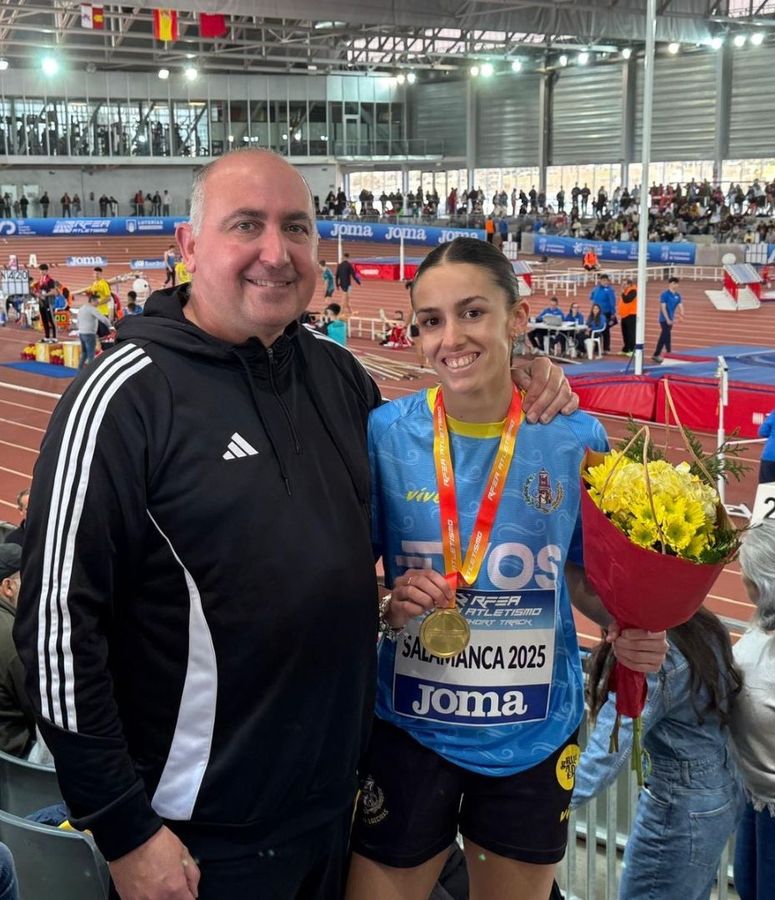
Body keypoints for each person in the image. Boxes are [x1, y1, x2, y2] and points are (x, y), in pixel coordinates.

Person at [16, 147, 576, 900]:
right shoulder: (122, 397)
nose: (274, 253)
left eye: (297, 228)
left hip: (332, 814)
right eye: (246, 225)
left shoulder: (338, 377)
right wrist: (123, 830)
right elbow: (54, 629)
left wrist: (524, 370)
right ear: (188, 246)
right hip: (198, 845)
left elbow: (421, 506)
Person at [347, 238, 667, 900]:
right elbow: (354, 579)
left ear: (516, 319)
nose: (450, 337)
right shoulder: (384, 435)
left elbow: (582, 573)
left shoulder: (575, 437)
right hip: (411, 726)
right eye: (431, 321)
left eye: (472, 313)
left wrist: (629, 622)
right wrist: (388, 604)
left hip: (532, 730)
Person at [571, 605, 744, 900]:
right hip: (717, 793)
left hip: (681, 809)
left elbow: (606, 754)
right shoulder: (701, 625)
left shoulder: (652, 661)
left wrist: (545, 805)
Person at [729, 520, 775, 900]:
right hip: (755, 798)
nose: (741, 578)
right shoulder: (759, 627)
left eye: (746, 570)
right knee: (748, 888)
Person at [0, 543, 37, 758]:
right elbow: (39, 712)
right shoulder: (13, 639)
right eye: (30, 580)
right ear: (8, 587)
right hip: (13, 761)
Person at [72, 291, 111, 363]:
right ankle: (90, 368)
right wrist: (111, 326)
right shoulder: (92, 309)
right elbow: (102, 318)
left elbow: (78, 321)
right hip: (89, 333)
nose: (98, 303)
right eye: (97, 302)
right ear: (92, 301)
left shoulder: (82, 308)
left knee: (84, 352)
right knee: (91, 353)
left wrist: (80, 329)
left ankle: (81, 367)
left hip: (82, 333)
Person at [652, 276, 682, 363]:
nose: (675, 285)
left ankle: (668, 352)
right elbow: (663, 308)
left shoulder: (677, 295)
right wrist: (667, 319)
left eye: (676, 284)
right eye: (673, 283)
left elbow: (680, 306)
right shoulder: (664, 294)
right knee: (665, 336)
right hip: (664, 319)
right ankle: (657, 354)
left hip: (671, 318)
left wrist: (681, 315)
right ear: (670, 284)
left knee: (667, 335)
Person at [589, 274, 617, 354]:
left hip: (606, 313)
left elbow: (612, 302)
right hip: (596, 313)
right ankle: (596, 348)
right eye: (602, 280)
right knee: (595, 329)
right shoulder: (596, 289)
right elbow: (591, 297)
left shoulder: (609, 290)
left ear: (608, 281)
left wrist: (613, 314)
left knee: (605, 331)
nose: (604, 281)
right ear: (600, 280)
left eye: (605, 280)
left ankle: (606, 348)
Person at [617, 276, 639, 355]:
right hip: (624, 315)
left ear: (629, 284)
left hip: (631, 315)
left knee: (631, 333)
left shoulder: (633, 290)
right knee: (625, 333)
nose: (623, 286)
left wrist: (622, 293)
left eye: (624, 284)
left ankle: (633, 350)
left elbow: (627, 300)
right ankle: (626, 349)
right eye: (622, 284)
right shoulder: (626, 291)